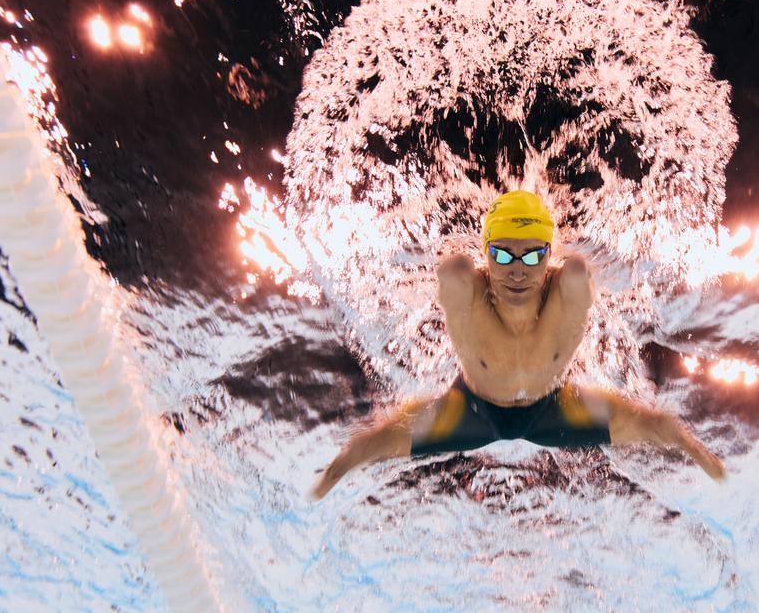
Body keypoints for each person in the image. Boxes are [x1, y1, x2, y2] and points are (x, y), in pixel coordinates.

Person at [310, 190, 725, 500]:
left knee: (661, 429)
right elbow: (452, 269)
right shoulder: (465, 287)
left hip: (554, 409)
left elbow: (655, 422)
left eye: (531, 257)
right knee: (364, 449)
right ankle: (316, 489)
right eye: (503, 255)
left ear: (549, 256)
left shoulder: (570, 285)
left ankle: (721, 474)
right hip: (472, 410)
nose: (517, 271)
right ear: (485, 254)